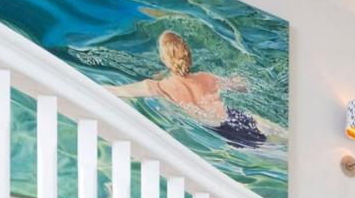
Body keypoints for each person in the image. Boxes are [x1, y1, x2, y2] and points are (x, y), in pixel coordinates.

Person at [112, 30, 284, 149]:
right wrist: (237, 80)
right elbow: (242, 87)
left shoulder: (159, 87)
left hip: (221, 131)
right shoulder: (206, 77)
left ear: (164, 59)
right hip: (237, 116)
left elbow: (117, 91)